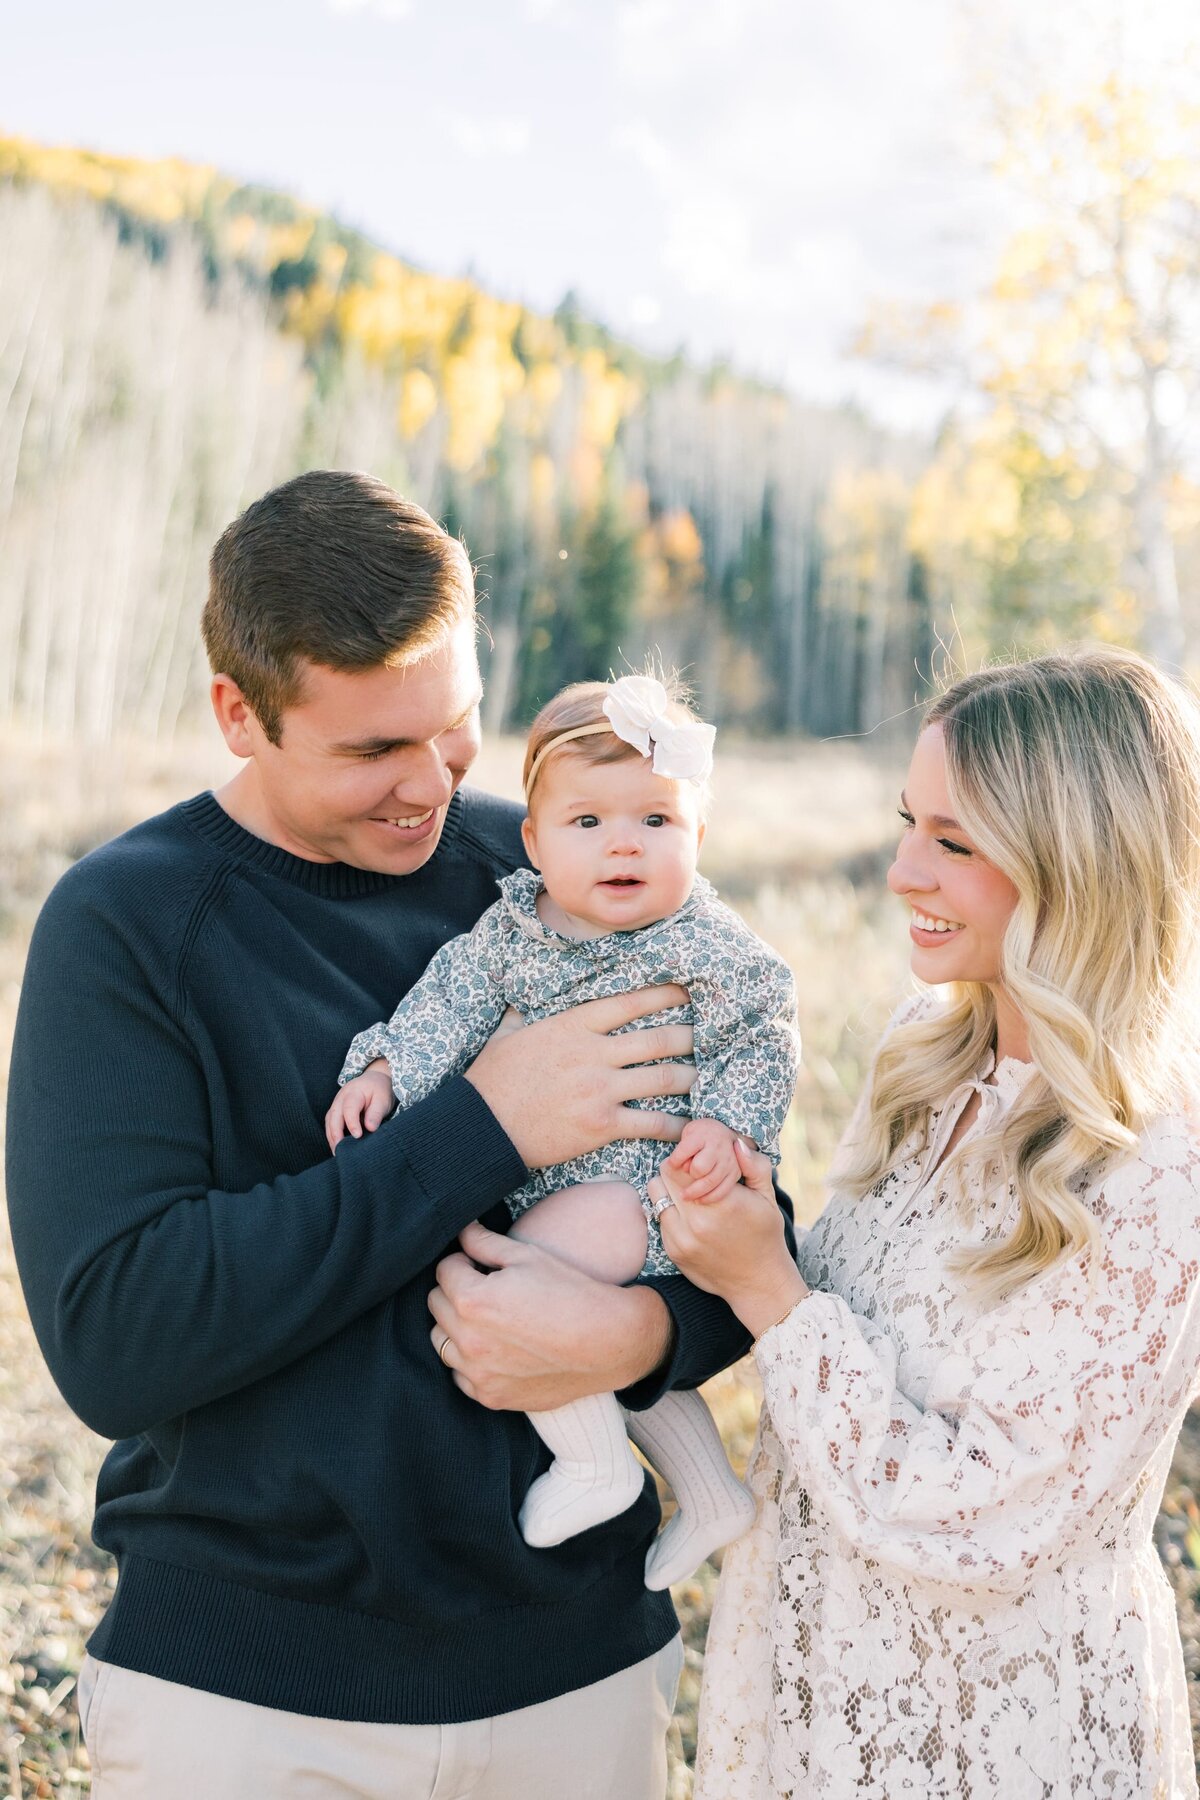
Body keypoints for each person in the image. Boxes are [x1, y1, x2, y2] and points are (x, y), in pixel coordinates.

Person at [6, 469, 786, 1800]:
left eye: (458, 729)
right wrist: (485, 1122)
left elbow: (735, 1214)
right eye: (373, 750)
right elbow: (117, 1342)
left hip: (575, 1679)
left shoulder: (568, 871)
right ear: (238, 717)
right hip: (248, 1708)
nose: (429, 787)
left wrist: (647, 1336)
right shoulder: (128, 925)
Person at [650, 647, 1200, 1798]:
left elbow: (977, 1521)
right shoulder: (923, 1054)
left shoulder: (1160, 1167)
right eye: (911, 823)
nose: (902, 872)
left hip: (983, 1741)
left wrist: (769, 1293)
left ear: (1082, 868)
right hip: (804, 1701)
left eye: (954, 843)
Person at [327, 672, 799, 1587]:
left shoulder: (704, 940)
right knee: (586, 1325)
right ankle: (709, 1494)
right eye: (588, 824)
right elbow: (447, 1005)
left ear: (697, 835)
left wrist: (731, 1126)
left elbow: (764, 1026)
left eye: (655, 823)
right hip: (568, 1181)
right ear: (535, 843)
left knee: (506, 1280)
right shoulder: (509, 933)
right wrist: (386, 1069)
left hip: (652, 1193)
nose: (623, 844)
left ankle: (594, 1464)